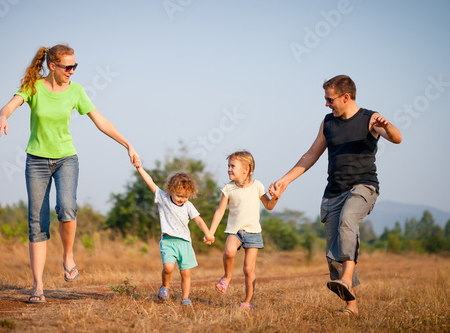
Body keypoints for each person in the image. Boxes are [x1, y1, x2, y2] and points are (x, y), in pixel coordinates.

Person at [0, 44, 140, 303]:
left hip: (66, 159)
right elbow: (8, 106)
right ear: (52, 66)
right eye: (68, 67)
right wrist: (2, 118)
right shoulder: (33, 87)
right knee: (37, 222)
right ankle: (38, 287)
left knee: (67, 206)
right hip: (36, 160)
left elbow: (100, 120)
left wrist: (127, 143)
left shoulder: (76, 91)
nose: (72, 71)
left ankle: (68, 255)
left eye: (75, 66)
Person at [272, 75, 402, 316]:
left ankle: (347, 278)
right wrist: (285, 180)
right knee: (333, 254)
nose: (326, 104)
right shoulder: (328, 122)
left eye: (329, 99)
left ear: (345, 96)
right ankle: (351, 306)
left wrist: (388, 126)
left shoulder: (370, 119)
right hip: (333, 191)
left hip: (363, 186)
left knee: (347, 221)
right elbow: (311, 155)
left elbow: (396, 138)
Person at [136, 165, 215, 306]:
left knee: (185, 273)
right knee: (168, 268)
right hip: (168, 241)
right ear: (171, 190)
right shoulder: (163, 198)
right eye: (179, 195)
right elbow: (150, 182)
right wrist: (140, 168)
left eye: (185, 196)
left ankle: (185, 298)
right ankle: (165, 286)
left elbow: (199, 220)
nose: (181, 199)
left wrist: (208, 234)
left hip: (184, 243)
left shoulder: (189, 206)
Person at [209, 151, 279, 309]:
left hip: (253, 232)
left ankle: (248, 301)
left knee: (248, 269)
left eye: (232, 166)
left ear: (246, 169)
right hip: (235, 231)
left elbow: (268, 206)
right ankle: (227, 276)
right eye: (228, 166)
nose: (228, 169)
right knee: (229, 252)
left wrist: (275, 197)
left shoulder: (258, 186)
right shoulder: (228, 188)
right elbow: (220, 211)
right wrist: (210, 232)